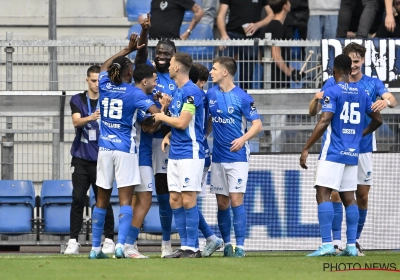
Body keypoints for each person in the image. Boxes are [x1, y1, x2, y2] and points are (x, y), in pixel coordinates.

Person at [309, 43, 397, 256]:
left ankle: (354, 241)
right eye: (351, 61)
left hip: (364, 147)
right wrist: (315, 98)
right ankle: (338, 242)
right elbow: (314, 112)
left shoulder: (372, 83)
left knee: (361, 196)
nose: (354, 66)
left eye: (357, 61)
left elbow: (392, 100)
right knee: (338, 195)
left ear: (362, 62)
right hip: (340, 147)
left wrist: (386, 102)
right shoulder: (332, 82)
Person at [89, 34, 167, 259]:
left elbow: (104, 66)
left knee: (101, 200)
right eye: (131, 68)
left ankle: (95, 249)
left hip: (104, 150)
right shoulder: (134, 93)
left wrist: (126, 50)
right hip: (125, 150)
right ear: (129, 73)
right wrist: (162, 108)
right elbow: (155, 115)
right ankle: (121, 245)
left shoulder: (104, 85)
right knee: (125, 200)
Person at [207, 56, 262, 257]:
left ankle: (241, 246)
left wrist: (242, 139)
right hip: (218, 156)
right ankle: (227, 244)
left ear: (225, 72)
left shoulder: (243, 97)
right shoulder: (211, 93)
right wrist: (204, 136)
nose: (210, 72)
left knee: (236, 200)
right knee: (222, 203)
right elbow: (212, 118)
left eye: (213, 68)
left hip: (237, 156)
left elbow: (257, 124)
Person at [153, 52, 205, 258]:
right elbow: (177, 122)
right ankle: (185, 246)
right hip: (175, 153)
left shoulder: (193, 92)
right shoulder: (178, 92)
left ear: (177, 68)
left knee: (188, 199)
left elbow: (183, 122)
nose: (168, 66)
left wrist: (161, 116)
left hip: (190, 153)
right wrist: (168, 132)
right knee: (174, 199)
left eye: (171, 62)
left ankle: (193, 247)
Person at [135, 17, 178, 258]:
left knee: (163, 192)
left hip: (164, 141)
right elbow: (140, 56)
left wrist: (166, 111)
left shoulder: (177, 79)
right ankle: (129, 241)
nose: (161, 55)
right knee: (139, 191)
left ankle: (165, 243)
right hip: (142, 140)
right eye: (159, 51)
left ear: (174, 56)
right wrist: (145, 31)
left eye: (166, 53)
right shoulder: (148, 71)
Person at [65, 65, 115, 255]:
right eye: (93, 80)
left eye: (98, 81)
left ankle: (109, 238)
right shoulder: (78, 99)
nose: (96, 84)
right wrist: (92, 117)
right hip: (81, 157)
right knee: (78, 198)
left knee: (103, 200)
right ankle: (73, 240)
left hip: (102, 157)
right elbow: (76, 121)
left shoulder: (109, 99)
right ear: (87, 80)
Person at [122, 63, 170, 258]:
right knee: (144, 200)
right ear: (145, 81)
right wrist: (164, 109)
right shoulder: (138, 98)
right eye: (154, 80)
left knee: (135, 200)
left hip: (135, 154)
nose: (156, 83)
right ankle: (127, 245)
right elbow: (149, 127)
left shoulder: (138, 96)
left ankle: (124, 243)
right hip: (138, 155)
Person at [189, 63, 224, 257]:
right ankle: (205, 239)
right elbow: (209, 122)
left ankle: (197, 242)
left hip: (197, 154)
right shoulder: (203, 96)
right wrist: (202, 134)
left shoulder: (197, 96)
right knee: (188, 200)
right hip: (199, 150)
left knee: (189, 200)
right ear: (201, 81)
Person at [216, 0, 274, 89]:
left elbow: (271, 15)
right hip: (231, 35)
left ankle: (245, 99)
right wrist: (223, 34)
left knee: (247, 76)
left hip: (251, 37)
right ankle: (219, 96)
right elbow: (221, 15)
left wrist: (257, 25)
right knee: (222, 68)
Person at [263, 0, 292, 153]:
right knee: (278, 121)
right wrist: (289, 72)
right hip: (277, 80)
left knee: (276, 119)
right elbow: (275, 54)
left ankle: (275, 150)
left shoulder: (271, 26)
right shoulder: (278, 26)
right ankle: (276, 152)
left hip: (272, 78)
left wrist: (289, 69)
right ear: (285, 5)